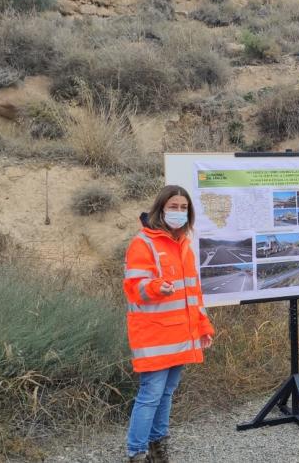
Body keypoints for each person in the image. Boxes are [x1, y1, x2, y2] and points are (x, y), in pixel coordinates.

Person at [122, 185, 215, 463]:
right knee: (150, 395)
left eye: (183, 207)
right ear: (160, 208)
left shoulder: (184, 244)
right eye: (173, 207)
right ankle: (136, 453)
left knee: (166, 394)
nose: (179, 212)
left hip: (181, 335)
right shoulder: (144, 242)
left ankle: (158, 447)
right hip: (154, 336)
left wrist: (203, 326)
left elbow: (193, 293)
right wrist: (153, 287)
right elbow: (133, 287)